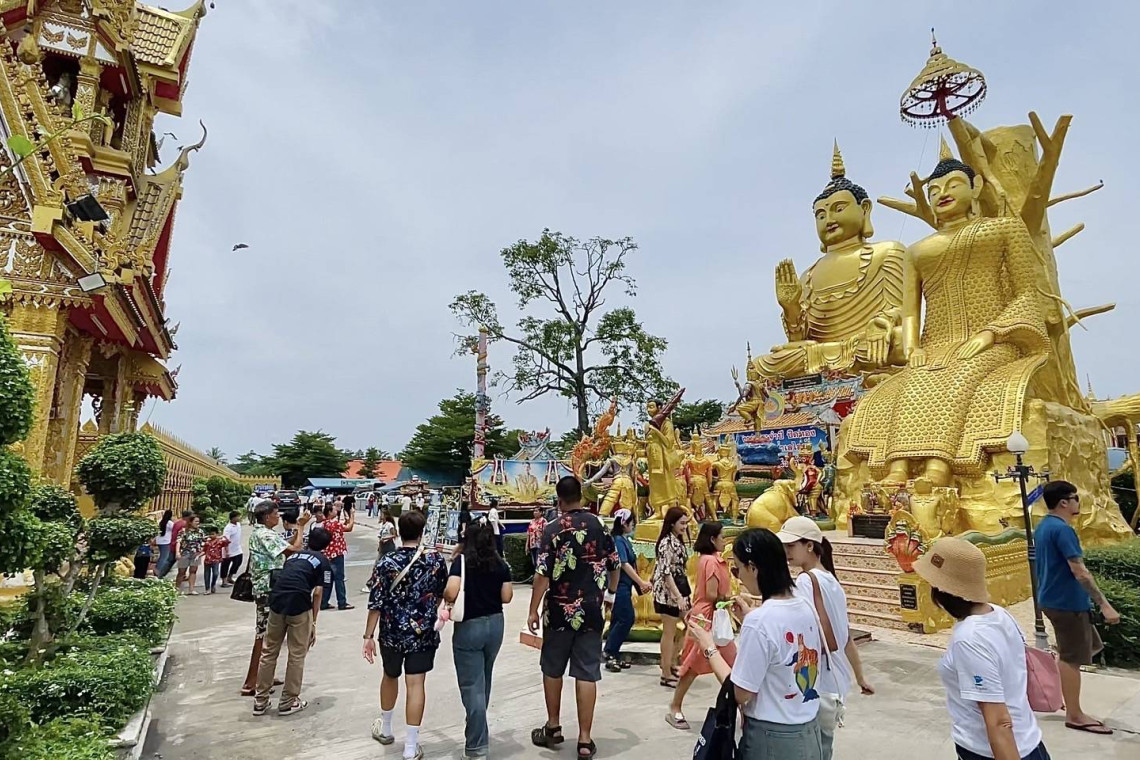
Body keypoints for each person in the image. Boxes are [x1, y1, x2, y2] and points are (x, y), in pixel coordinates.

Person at [687, 528, 824, 759]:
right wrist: (750, 616)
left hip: (772, 738)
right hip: (809, 729)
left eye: (737, 568)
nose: (738, 577)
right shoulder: (804, 603)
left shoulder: (760, 622)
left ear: (753, 568)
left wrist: (708, 647)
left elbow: (741, 692)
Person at [914, 537, 1050, 760]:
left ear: (941, 590)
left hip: (992, 752)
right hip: (1028, 740)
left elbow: (999, 722)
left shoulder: (970, 640)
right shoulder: (999, 613)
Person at [528, 476, 619, 759]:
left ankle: (553, 727)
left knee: (552, 668)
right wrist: (610, 595)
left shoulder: (552, 529)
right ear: (581, 496)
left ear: (559, 500)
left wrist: (533, 610)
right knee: (587, 672)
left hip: (559, 611)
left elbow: (542, 575)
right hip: (591, 610)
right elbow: (615, 564)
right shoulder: (599, 525)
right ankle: (584, 740)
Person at [779, 516, 873, 759]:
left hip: (817, 679)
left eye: (791, 546)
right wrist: (859, 677)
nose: (786, 552)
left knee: (813, 749)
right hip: (837, 680)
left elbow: (800, 630)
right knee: (824, 746)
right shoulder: (832, 581)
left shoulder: (805, 580)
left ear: (810, 546)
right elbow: (846, 637)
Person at [1035, 480, 1120, 736]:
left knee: (1077, 651)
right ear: (1064, 502)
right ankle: (1074, 714)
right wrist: (1105, 605)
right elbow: (1080, 572)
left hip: (1053, 599)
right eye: (1075, 498)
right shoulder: (1063, 530)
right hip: (1066, 603)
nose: (1078, 503)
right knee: (1071, 659)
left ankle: (1070, 701)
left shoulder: (1044, 526)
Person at [363, 510, 449, 760]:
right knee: (416, 683)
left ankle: (386, 728)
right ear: (422, 533)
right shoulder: (435, 560)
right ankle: (411, 747)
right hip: (422, 633)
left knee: (390, 675)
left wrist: (368, 636)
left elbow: (376, 603)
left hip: (391, 632)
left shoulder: (386, 562)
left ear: (399, 532)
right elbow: (441, 593)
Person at [443, 521, 513, 759]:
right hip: (495, 625)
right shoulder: (500, 563)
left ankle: (476, 746)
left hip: (469, 627)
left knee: (472, 686)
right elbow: (507, 596)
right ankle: (476, 727)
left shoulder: (462, 562)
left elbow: (451, 591)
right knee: (484, 680)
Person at [253, 526, 332, 717]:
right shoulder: (323, 561)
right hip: (299, 604)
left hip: (276, 602)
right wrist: (313, 623)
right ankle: (288, 701)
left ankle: (260, 700)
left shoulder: (293, 557)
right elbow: (318, 592)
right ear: (327, 545)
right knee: (296, 654)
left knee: (269, 652)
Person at [668, 520, 736, 729]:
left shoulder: (709, 560)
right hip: (707, 618)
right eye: (722, 537)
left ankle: (742, 710)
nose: (725, 541)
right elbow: (712, 594)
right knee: (694, 665)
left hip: (712, 616)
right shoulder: (712, 562)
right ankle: (675, 707)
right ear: (713, 539)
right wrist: (732, 599)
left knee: (733, 663)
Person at [241, 500, 309, 697]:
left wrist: (298, 530)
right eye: (276, 514)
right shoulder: (265, 534)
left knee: (269, 634)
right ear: (267, 516)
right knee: (264, 634)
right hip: (267, 588)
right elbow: (294, 550)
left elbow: (288, 547)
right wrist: (301, 527)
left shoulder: (264, 533)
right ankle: (252, 681)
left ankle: (264, 675)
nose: (278, 517)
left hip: (268, 586)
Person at [603, 508, 651, 672]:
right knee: (626, 619)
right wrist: (641, 582)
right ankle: (610, 652)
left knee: (618, 619)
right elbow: (624, 564)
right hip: (620, 586)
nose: (633, 525)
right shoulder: (618, 541)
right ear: (624, 523)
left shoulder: (624, 540)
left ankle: (614, 654)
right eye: (632, 522)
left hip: (625, 586)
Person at [652, 506, 691, 688]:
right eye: (682, 523)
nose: (685, 526)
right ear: (672, 523)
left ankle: (672, 662)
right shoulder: (666, 543)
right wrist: (678, 597)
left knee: (691, 624)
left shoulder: (677, 540)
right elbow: (666, 573)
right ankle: (666, 672)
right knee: (669, 631)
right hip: (668, 594)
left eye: (686, 523)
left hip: (680, 589)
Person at [321, 503, 355, 611]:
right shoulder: (334, 523)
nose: (336, 511)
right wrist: (352, 515)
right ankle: (342, 602)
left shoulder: (324, 523)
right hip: (337, 553)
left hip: (327, 554)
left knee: (328, 579)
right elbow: (349, 528)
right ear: (330, 512)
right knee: (339, 578)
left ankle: (323, 602)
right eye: (334, 510)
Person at [176, 515, 205, 595]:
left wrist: (202, 551)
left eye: (198, 521)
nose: (197, 523)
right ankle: (177, 589)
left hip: (195, 553)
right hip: (185, 553)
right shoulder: (183, 531)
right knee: (181, 571)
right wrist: (177, 552)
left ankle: (191, 589)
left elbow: (203, 541)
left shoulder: (200, 531)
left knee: (193, 571)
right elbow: (178, 541)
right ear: (190, 522)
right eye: (196, 521)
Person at [161, 509, 193, 579]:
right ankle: (161, 576)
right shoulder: (185, 524)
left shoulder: (177, 523)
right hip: (179, 546)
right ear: (188, 516)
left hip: (173, 544)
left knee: (169, 562)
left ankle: (161, 575)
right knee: (174, 563)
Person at [201, 525, 230, 594]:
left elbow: (227, 542)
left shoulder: (219, 541)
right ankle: (207, 589)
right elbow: (204, 550)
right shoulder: (207, 542)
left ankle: (213, 584)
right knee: (206, 575)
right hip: (207, 560)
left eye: (213, 534)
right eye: (210, 534)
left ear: (217, 534)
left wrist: (221, 537)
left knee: (215, 574)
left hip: (216, 559)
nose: (211, 536)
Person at [221, 511, 244, 587]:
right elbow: (225, 540)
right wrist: (227, 551)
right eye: (237, 516)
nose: (239, 518)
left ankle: (230, 577)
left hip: (237, 548)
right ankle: (224, 581)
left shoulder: (238, 525)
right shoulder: (228, 528)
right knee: (225, 565)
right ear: (233, 518)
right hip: (228, 549)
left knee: (238, 562)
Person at [525, 506, 547, 574]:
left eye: (537, 511)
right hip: (532, 544)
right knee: (534, 562)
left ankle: (539, 575)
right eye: (534, 511)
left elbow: (546, 533)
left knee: (539, 562)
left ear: (541, 512)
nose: (535, 512)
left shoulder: (543, 521)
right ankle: (536, 575)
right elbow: (529, 534)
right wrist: (527, 545)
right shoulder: (532, 521)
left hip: (540, 544)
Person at [155, 509, 174, 577]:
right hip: (166, 541)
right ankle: (158, 570)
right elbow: (174, 530)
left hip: (159, 541)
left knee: (161, 556)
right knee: (164, 557)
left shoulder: (160, 521)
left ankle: (157, 569)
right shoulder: (170, 523)